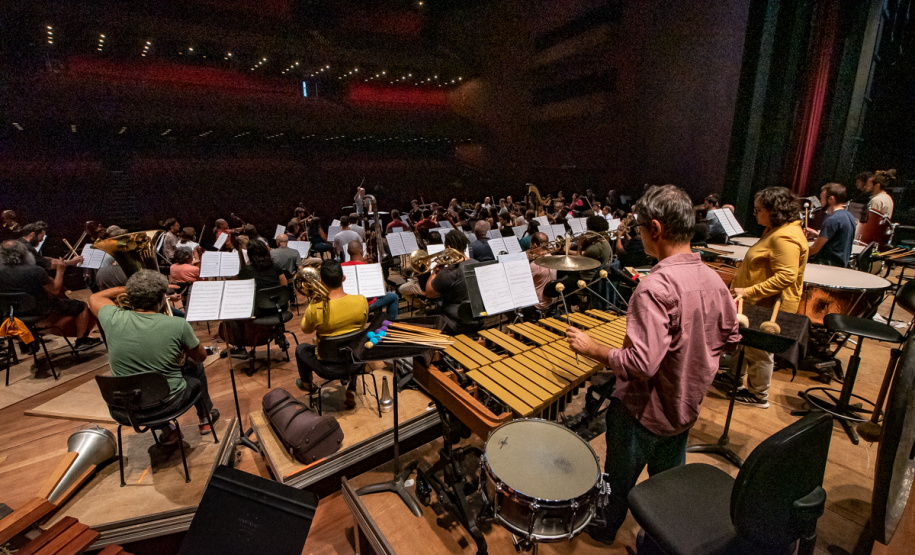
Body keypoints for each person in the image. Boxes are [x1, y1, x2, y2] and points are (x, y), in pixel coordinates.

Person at [565, 184, 740, 545]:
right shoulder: (714, 279)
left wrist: (592, 347)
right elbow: (731, 340)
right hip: (684, 406)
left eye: (639, 229)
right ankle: (662, 537)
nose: (637, 235)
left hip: (643, 412)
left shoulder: (655, 286)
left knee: (616, 482)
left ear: (656, 229)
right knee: (667, 483)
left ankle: (607, 528)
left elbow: (641, 364)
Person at [88, 270, 219, 441]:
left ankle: (168, 429)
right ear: (160, 298)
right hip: (168, 405)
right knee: (194, 363)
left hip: (124, 409)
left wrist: (129, 288)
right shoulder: (177, 324)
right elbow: (201, 356)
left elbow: (94, 298)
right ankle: (205, 417)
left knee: (142, 382)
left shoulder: (111, 317)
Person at [730, 186, 808, 408]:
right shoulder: (776, 230)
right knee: (745, 345)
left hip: (767, 304)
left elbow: (786, 276)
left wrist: (748, 291)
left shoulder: (785, 237)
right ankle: (735, 379)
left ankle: (758, 395)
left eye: (758, 210)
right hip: (755, 302)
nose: (755, 214)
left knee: (760, 351)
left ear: (775, 210)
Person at [294, 259, 368, 409]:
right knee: (359, 342)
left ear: (320, 281)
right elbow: (360, 327)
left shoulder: (316, 308)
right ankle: (352, 387)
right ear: (343, 278)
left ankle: (308, 385)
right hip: (354, 363)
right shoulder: (361, 301)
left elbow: (305, 329)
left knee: (300, 349)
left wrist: (313, 303)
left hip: (326, 367)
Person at [0, 240, 101, 349]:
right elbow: (55, 290)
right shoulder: (35, 271)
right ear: (24, 253)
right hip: (41, 312)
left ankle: (27, 343)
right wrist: (60, 271)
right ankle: (82, 340)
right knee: (82, 306)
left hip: (14, 316)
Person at [425, 230, 477, 332]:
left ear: (448, 248)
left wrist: (434, 272)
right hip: (477, 316)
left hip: (456, 321)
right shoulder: (478, 263)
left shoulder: (448, 272)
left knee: (428, 316)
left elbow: (429, 293)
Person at [342, 240, 399, 321]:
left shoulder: (341, 267)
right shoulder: (367, 267)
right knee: (394, 297)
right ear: (361, 252)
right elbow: (381, 289)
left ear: (348, 252)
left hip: (348, 304)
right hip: (367, 304)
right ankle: (391, 324)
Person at [805, 183, 857, 267]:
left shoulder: (832, 220)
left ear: (831, 199)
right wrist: (817, 235)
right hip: (840, 265)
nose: (820, 201)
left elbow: (814, 249)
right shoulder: (848, 216)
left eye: (821, 198)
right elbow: (838, 239)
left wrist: (795, 254)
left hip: (826, 266)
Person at [528, 232, 557, 310]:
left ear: (535, 245)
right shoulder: (552, 258)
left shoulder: (534, 264)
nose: (530, 247)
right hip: (552, 302)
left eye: (531, 245)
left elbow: (526, 284)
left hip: (537, 306)